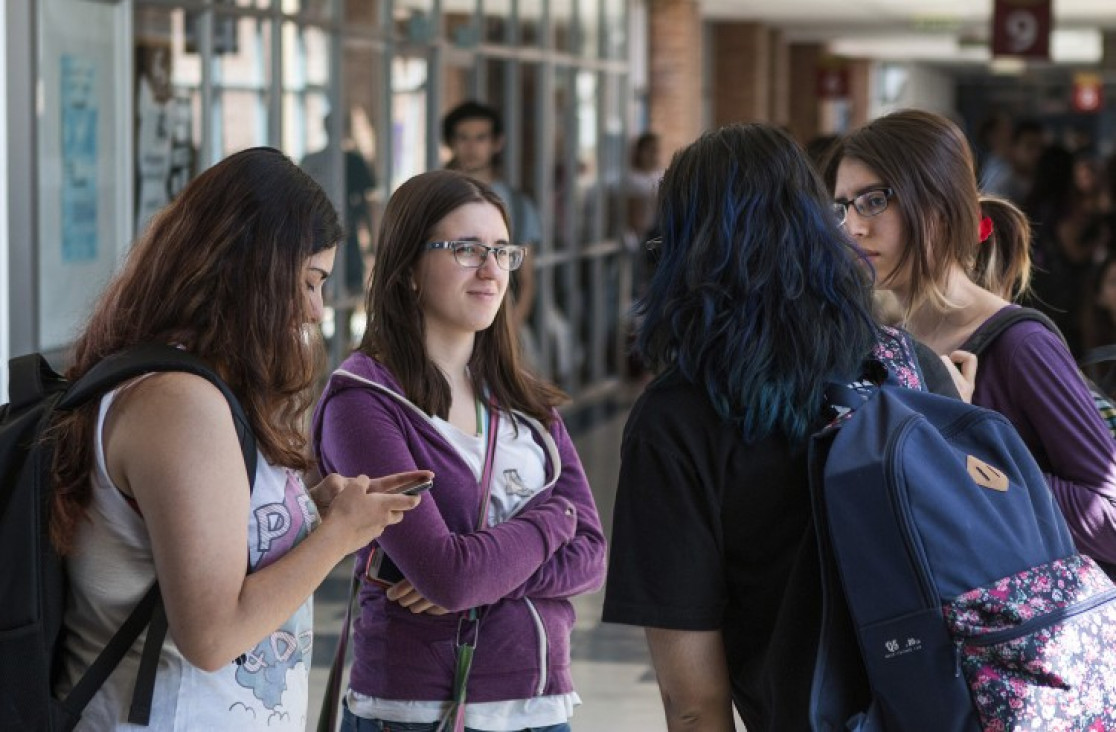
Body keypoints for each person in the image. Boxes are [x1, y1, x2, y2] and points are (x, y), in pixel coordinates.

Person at [48, 147, 425, 729]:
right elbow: (211, 634)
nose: (315, 311)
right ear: (252, 272)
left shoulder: (185, 385)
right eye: (307, 282)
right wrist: (340, 536)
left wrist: (314, 514)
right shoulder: (180, 405)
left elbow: (214, 546)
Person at [601, 123, 956, 730]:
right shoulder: (908, 366)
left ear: (685, 243)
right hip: (947, 706)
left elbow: (693, 703)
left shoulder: (678, 418)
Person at [312, 169, 606, 732]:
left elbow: (592, 556)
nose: (493, 270)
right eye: (467, 250)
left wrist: (486, 573)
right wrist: (552, 521)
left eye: (501, 251)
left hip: (541, 707)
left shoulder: (524, 400)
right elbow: (448, 577)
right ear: (409, 271)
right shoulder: (365, 402)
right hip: (416, 712)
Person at [824, 108, 1116, 568]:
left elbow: (1109, 516)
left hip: (1010, 626)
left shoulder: (1021, 345)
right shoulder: (889, 343)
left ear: (938, 207)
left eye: (874, 200)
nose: (854, 228)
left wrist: (963, 449)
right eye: (842, 207)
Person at [301, 110, 379, 298]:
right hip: (319, 232)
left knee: (349, 287)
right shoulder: (313, 161)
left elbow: (364, 203)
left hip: (345, 232)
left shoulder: (351, 161)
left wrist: (371, 238)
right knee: (317, 282)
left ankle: (341, 327)